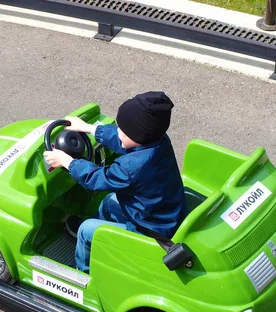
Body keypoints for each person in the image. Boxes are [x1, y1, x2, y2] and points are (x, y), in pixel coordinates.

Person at [43, 91, 187, 273]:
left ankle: (83, 271)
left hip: (150, 229)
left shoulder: (131, 167)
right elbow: (123, 141)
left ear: (138, 135)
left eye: (123, 130)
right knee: (108, 203)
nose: (118, 132)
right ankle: (100, 243)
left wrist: (67, 162)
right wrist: (89, 128)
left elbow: (95, 179)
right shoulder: (157, 143)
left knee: (87, 230)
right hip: (161, 214)